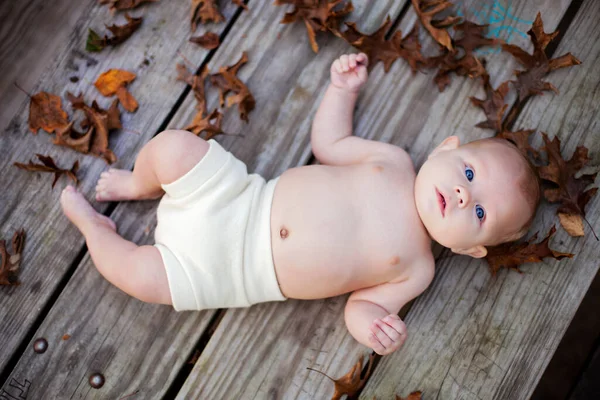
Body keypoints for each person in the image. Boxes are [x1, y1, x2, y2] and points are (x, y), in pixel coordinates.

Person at [60, 53, 539, 355]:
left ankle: (94, 231)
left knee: (140, 277)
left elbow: (361, 307)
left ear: (470, 250)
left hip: (233, 272)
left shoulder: (417, 269)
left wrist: (375, 329)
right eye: (469, 175)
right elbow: (330, 143)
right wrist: (341, 91)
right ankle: (144, 183)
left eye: (479, 213)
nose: (462, 194)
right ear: (444, 150)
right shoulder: (392, 161)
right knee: (171, 147)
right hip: (239, 197)